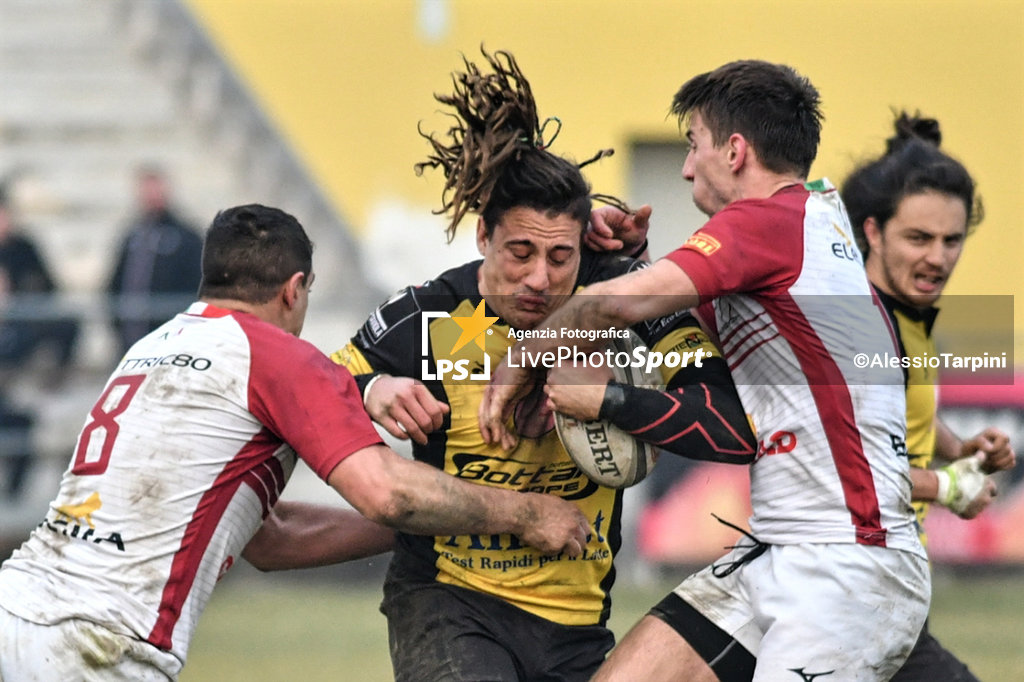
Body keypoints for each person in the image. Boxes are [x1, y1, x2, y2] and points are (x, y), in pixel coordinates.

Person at [0, 203, 591, 681]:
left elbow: (269, 537)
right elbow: (387, 493)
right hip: (93, 647)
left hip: (15, 605)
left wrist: (435, 526)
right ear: (295, 288)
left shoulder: (152, 347)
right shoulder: (280, 356)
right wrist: (523, 512)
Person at [480, 59, 931, 680]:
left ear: (736, 150)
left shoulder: (769, 224)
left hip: (848, 571)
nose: (688, 165)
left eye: (693, 145)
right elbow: (684, 324)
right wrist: (633, 258)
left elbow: (614, 307)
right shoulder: (810, 221)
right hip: (780, 554)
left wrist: (524, 361)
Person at [331, 49, 756, 682]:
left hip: (576, 623)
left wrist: (613, 399)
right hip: (447, 601)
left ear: (586, 246)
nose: (538, 278)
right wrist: (372, 388)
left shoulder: (631, 304)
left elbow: (728, 422)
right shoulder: (425, 314)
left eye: (560, 258)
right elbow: (312, 386)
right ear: (483, 237)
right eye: (519, 253)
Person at [841, 112, 1017, 682]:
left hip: (889, 586)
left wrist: (959, 445)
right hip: (845, 586)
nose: (938, 258)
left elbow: (904, 417)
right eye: (919, 238)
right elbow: (850, 468)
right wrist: (949, 485)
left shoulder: (909, 320)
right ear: (871, 231)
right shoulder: (854, 328)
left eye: (952, 240)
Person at [0, 182, 81, 497]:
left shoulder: (25, 249)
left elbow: (50, 295)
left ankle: (13, 498)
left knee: (22, 426)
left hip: (19, 349)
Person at [107, 165, 204, 356]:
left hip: (172, 339)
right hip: (132, 339)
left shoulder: (186, 236)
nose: (151, 196)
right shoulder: (132, 235)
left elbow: (197, 281)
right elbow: (115, 281)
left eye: (155, 189)